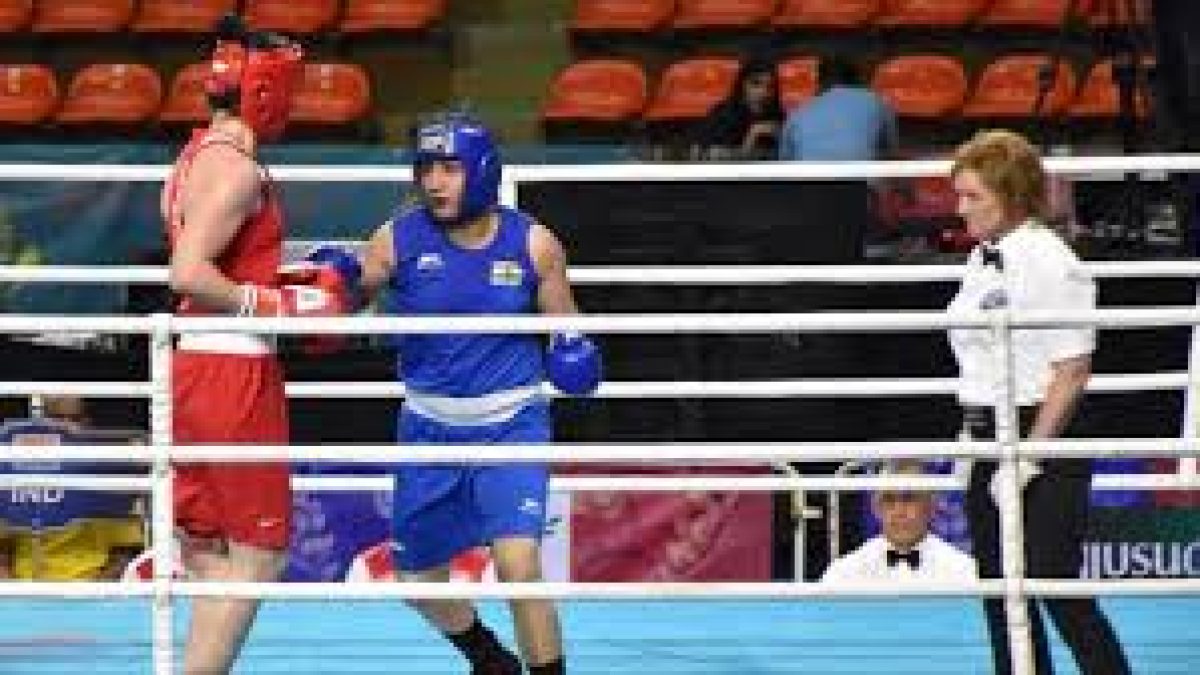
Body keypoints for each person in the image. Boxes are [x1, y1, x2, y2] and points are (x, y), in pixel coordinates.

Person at [307, 111, 601, 674]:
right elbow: (352, 293)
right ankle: (490, 660)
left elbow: (570, 327)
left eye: (449, 169)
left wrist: (575, 355)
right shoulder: (398, 238)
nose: (434, 182)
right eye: (425, 169)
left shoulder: (534, 244)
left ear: (482, 172)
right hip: (427, 429)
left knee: (519, 567)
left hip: (511, 424)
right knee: (416, 579)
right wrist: (333, 281)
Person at [163, 14, 349, 674]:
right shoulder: (235, 169)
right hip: (229, 368)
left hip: (200, 363)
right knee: (259, 550)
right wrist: (271, 301)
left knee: (210, 548)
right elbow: (187, 272)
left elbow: (218, 261)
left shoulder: (196, 155)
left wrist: (279, 280)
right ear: (266, 89)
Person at [945, 129, 1131, 675]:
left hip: (1040, 430)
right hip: (985, 432)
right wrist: (971, 434)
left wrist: (1032, 454)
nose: (961, 210)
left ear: (1010, 194)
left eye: (973, 196)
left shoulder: (1051, 260)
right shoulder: (985, 258)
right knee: (1000, 591)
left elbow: (1071, 369)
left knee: (1053, 580)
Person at [0, 395, 144, 581]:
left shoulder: (107, 472)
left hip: (92, 586)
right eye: (57, 419)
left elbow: (124, 554)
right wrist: (14, 591)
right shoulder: (13, 472)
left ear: (86, 422)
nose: (65, 427)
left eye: (74, 419)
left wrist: (97, 592)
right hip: (25, 585)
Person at [822, 460, 975, 583]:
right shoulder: (842, 573)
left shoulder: (964, 570)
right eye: (889, 500)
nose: (899, 512)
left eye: (909, 499)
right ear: (876, 508)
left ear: (931, 506)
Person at [778, 55, 898, 162]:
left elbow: (785, 160)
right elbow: (890, 151)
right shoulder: (877, 102)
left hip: (809, 182)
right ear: (855, 79)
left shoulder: (798, 112)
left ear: (820, 82)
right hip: (860, 182)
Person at [691, 57, 784, 160]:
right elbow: (702, 153)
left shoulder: (776, 114)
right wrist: (752, 135)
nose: (763, 92)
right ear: (743, 84)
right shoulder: (724, 115)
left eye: (770, 87)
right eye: (756, 84)